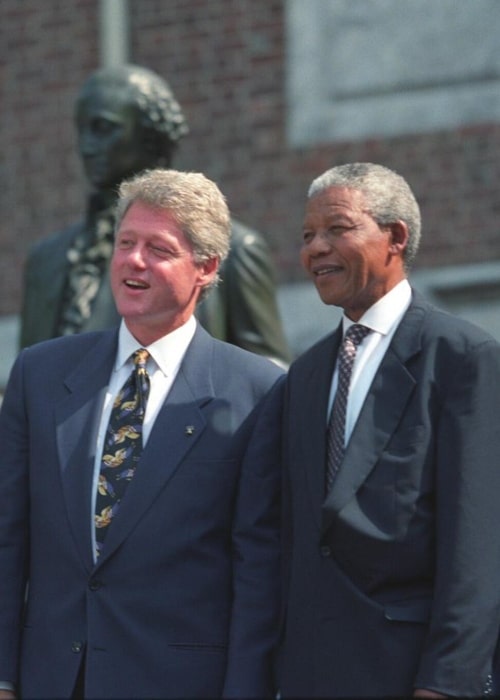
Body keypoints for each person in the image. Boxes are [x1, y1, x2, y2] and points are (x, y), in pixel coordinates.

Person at [0, 168, 284, 699]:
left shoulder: (258, 392)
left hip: (181, 683)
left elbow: (259, 574)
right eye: (125, 242)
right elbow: (8, 537)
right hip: (53, 680)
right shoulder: (40, 375)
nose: (133, 260)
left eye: (158, 249)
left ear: (206, 267)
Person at [277, 162, 500, 697]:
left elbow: (479, 540)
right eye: (308, 236)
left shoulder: (462, 358)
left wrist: (448, 681)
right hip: (311, 675)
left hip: (409, 673)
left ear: (395, 237)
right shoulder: (304, 375)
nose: (315, 249)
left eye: (337, 229)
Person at [19, 64, 291, 367]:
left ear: (151, 136)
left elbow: (269, 381)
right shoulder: (47, 259)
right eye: (81, 129)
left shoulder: (236, 251)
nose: (86, 146)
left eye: (103, 129)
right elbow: (26, 381)